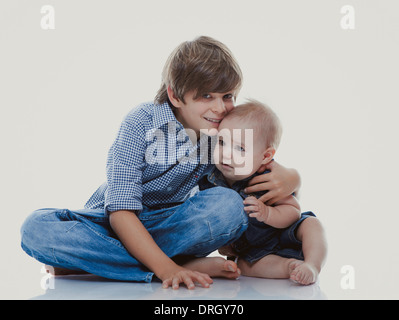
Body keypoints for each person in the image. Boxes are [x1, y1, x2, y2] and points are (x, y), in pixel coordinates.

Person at [20, 36, 301, 290]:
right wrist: (167, 269)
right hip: (113, 223)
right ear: (175, 96)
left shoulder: (220, 130)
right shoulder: (140, 122)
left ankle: (100, 263)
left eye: (227, 96)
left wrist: (292, 177)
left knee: (229, 205)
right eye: (206, 96)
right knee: (36, 228)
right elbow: (120, 212)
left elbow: (253, 161)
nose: (220, 107)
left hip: (172, 226)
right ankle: (170, 265)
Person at [199, 100, 327, 285]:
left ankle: (312, 265)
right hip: (254, 251)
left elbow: (293, 212)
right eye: (222, 142)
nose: (226, 154)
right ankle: (289, 266)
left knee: (312, 224)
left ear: (265, 156)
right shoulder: (209, 179)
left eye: (240, 149)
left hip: (285, 233)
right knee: (245, 266)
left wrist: (268, 213)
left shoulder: (267, 178)